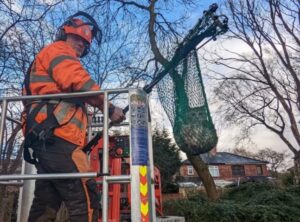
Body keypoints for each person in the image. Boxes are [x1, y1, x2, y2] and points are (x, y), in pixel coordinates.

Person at [22, 12, 125, 222]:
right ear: (64, 36)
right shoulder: (58, 50)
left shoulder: (52, 55)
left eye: (84, 43)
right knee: (85, 196)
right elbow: (79, 81)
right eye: (77, 38)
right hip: (58, 138)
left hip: (47, 139)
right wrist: (109, 107)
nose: (81, 45)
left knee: (45, 205)